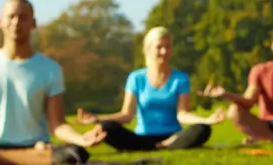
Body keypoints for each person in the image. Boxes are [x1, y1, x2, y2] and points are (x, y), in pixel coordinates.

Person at [0, 0, 104, 165]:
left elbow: (57, 124)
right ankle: (7, 158)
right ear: (0, 21)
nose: (16, 22)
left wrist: (80, 138)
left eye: (23, 17)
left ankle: (3, 160)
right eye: (11, 16)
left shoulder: (50, 69)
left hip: (37, 147)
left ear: (33, 23)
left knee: (74, 154)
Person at [76, 26, 223, 151]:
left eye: (168, 47)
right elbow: (127, 115)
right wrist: (97, 119)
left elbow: (183, 114)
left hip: (173, 136)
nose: (164, 52)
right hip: (142, 138)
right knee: (107, 127)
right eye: (159, 47)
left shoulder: (180, 78)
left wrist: (206, 120)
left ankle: (165, 145)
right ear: (149, 49)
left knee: (202, 129)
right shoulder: (136, 78)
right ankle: (158, 146)